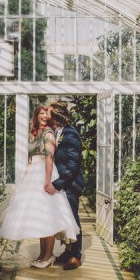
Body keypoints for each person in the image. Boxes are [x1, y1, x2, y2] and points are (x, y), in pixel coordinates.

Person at [0, 105, 80, 269]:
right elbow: (29, 159)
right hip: (33, 176)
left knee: (48, 215)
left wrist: (48, 181)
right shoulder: (34, 134)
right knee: (40, 218)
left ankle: (49, 256)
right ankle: (43, 254)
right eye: (40, 113)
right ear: (35, 116)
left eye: (46, 114)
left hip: (45, 174)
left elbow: (49, 159)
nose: (44, 116)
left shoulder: (48, 133)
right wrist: (25, 178)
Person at [44, 101, 85, 270]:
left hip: (70, 185)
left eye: (48, 113)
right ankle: (68, 251)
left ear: (56, 117)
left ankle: (76, 255)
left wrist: (57, 184)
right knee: (63, 219)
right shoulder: (57, 132)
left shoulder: (71, 134)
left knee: (72, 219)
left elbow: (73, 164)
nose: (45, 116)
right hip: (61, 184)